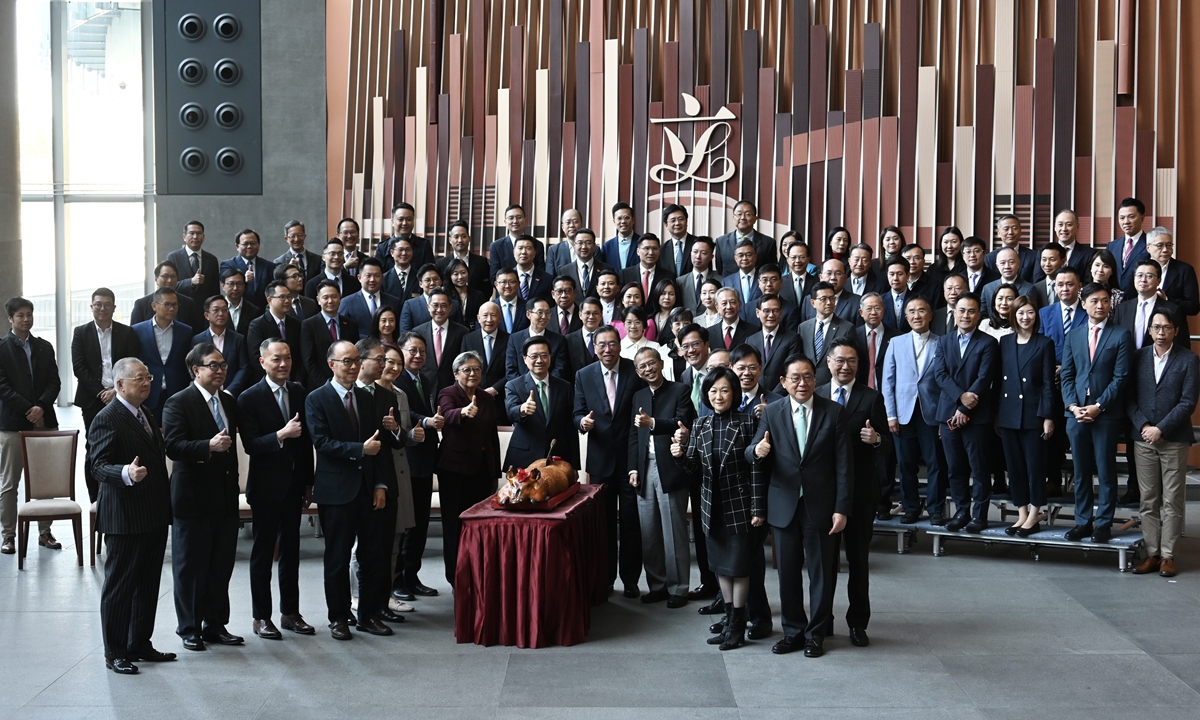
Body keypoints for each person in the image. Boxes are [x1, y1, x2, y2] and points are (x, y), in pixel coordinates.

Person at [748, 355, 852, 658]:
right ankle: (793, 631)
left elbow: (844, 466)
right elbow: (750, 452)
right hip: (783, 506)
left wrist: (841, 508)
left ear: (815, 380)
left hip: (821, 506)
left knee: (822, 573)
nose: (802, 383)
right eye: (795, 378)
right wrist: (758, 449)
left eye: (807, 377)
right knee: (788, 574)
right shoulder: (773, 412)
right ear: (783, 382)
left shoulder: (834, 412)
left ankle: (816, 633)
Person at [305, 340, 399, 640]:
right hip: (336, 491)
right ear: (332, 364)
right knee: (337, 558)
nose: (354, 366)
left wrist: (381, 484)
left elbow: (380, 447)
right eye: (347, 361)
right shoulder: (316, 399)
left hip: (369, 489)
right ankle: (338, 617)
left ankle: (368, 614)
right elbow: (322, 442)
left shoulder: (368, 397)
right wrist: (360, 450)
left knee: (373, 555)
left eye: (357, 360)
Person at [89, 358, 175, 674]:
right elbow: (97, 465)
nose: (146, 382)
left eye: (148, 376)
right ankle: (115, 651)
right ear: (120, 385)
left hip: (152, 513)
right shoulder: (107, 418)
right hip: (124, 516)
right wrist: (125, 472)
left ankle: (139, 643)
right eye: (139, 378)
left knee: (148, 583)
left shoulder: (146, 413)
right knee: (121, 586)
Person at [668, 366, 764, 651]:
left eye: (724, 390)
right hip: (711, 507)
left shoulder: (747, 423)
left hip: (740, 507)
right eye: (712, 391)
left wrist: (758, 508)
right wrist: (680, 456)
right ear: (706, 395)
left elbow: (757, 470)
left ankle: (737, 627)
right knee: (721, 568)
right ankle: (730, 621)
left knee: (739, 569)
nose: (718, 395)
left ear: (734, 392)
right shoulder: (701, 424)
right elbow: (695, 471)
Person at [162, 343, 243, 651]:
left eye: (223, 365)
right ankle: (189, 628)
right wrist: (207, 446)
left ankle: (215, 624)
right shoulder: (178, 402)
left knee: (221, 564)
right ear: (196, 370)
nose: (221, 370)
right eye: (213, 366)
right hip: (193, 497)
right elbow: (173, 446)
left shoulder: (229, 401)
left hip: (224, 495)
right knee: (191, 567)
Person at [237, 338, 316, 639]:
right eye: (276, 359)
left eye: (287, 357)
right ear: (262, 362)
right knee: (262, 553)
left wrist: (309, 482)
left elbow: (306, 442)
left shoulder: (298, 392)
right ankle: (261, 617)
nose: (283, 364)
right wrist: (281, 434)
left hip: (294, 486)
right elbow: (252, 446)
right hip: (266, 488)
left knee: (292, 552)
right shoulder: (249, 397)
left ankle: (290, 613)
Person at [818, 339, 888, 646]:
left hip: (860, 493)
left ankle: (858, 623)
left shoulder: (871, 398)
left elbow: (888, 445)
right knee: (824, 562)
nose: (846, 366)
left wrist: (876, 440)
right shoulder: (816, 394)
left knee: (858, 562)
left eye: (852, 361)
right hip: (823, 493)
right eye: (840, 360)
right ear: (829, 362)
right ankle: (822, 620)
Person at [574, 325, 646, 596]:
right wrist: (582, 422)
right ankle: (603, 579)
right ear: (594, 348)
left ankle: (630, 580)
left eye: (612, 343)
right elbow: (577, 412)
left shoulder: (633, 371)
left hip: (629, 462)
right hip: (600, 462)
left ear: (620, 344)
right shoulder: (584, 375)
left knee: (630, 523)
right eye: (601, 344)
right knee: (602, 526)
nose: (607, 349)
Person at [1061, 283, 1134, 544]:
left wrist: (1099, 406)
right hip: (1076, 413)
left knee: (1105, 470)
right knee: (1080, 472)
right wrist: (1072, 406)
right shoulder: (1074, 335)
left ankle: (1103, 523)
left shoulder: (1121, 335)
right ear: (1083, 304)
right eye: (1094, 301)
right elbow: (1067, 375)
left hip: (1106, 414)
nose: (1100, 305)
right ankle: (1082, 522)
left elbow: (1121, 377)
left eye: (1104, 301)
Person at [1127, 311, 1199, 577]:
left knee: (1172, 499)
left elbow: (1188, 401)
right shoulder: (1138, 357)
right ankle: (1151, 553)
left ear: (1176, 331)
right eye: (1156, 327)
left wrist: (1161, 429)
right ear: (1149, 330)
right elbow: (1129, 397)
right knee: (1148, 499)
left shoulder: (1189, 360)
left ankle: (1168, 556)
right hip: (1143, 437)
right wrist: (1145, 426)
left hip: (1174, 439)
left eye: (1166, 327)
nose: (1160, 332)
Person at [628, 346, 696, 608]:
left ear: (660, 362)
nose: (648, 369)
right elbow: (634, 436)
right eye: (642, 366)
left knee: (674, 530)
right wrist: (633, 468)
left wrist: (653, 423)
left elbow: (682, 422)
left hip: (671, 467)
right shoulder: (638, 396)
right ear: (638, 372)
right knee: (650, 531)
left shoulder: (680, 390)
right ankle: (657, 584)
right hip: (644, 468)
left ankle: (679, 587)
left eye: (651, 363)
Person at [930, 293, 999, 532]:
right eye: (961, 310)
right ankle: (961, 511)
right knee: (955, 468)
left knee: (979, 468)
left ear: (979, 315)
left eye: (971, 311)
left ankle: (979, 516)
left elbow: (984, 377)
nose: (966, 315)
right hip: (948, 415)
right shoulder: (944, 341)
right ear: (954, 313)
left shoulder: (988, 343)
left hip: (977, 416)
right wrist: (960, 399)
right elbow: (940, 375)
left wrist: (965, 408)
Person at [0, 297, 62, 554]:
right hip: (13, 425)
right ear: (10, 319)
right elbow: (2, 386)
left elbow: (54, 382)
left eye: (29, 314)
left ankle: (44, 532)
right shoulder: (2, 348)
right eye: (21, 315)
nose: (26, 319)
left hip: (44, 422)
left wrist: (41, 407)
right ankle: (8, 536)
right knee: (9, 483)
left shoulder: (44, 347)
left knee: (45, 481)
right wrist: (29, 409)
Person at [352, 337, 408, 625]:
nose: (385, 365)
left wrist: (396, 428)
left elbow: (393, 445)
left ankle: (381, 605)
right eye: (380, 359)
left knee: (384, 548)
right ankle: (358, 610)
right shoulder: (349, 394)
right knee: (361, 551)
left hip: (385, 482)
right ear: (361, 361)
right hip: (354, 484)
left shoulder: (386, 395)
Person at [435, 351, 501, 585]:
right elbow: (447, 412)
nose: (473, 374)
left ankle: (478, 574)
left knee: (480, 525)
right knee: (454, 526)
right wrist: (462, 412)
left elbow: (491, 435)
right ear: (456, 373)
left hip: (481, 470)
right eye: (467, 370)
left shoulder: (486, 398)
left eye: (477, 369)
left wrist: (495, 472)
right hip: (454, 471)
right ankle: (455, 578)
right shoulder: (448, 393)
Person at [73, 288, 140, 503]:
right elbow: (79, 367)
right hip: (93, 399)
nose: (102, 308)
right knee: (94, 446)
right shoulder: (81, 332)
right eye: (98, 304)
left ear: (114, 307)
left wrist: (116, 391)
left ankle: (124, 492)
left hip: (122, 397)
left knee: (124, 443)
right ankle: (96, 499)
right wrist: (101, 392)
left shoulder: (126, 332)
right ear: (91, 307)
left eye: (107, 304)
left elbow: (132, 364)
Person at [997, 297, 1057, 537]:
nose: (1025, 317)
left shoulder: (1045, 343)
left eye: (1030, 312)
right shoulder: (1004, 342)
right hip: (1008, 413)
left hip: (1034, 414)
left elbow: (1047, 384)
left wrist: (1048, 416)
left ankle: (1035, 514)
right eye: (1021, 312)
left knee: (1035, 467)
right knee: (1015, 467)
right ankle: (1021, 513)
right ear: (1013, 315)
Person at [882, 296, 944, 524]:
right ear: (906, 317)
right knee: (905, 464)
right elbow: (887, 382)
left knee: (935, 463)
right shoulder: (896, 343)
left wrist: (943, 417)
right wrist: (891, 414)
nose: (916, 315)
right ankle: (911, 507)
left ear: (930, 315)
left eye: (921, 311)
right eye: (911, 312)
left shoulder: (943, 342)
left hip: (932, 413)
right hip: (903, 413)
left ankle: (936, 509)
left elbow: (945, 381)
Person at [391, 332, 443, 599]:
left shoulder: (425, 378)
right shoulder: (395, 381)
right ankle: (397, 580)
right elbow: (406, 414)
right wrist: (425, 421)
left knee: (421, 523)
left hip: (424, 459)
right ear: (401, 351)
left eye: (422, 351)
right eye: (412, 351)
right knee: (406, 525)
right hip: (406, 461)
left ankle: (412, 576)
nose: (418, 356)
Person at [673, 323, 719, 601]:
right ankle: (708, 582)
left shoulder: (718, 373)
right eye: (685, 346)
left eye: (695, 344)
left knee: (718, 525)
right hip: (694, 460)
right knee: (701, 527)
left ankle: (723, 585)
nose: (691, 350)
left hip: (720, 457)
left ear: (706, 344)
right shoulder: (683, 376)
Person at [376, 345, 421, 591]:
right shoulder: (366, 393)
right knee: (369, 543)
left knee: (396, 539)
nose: (393, 368)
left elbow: (401, 435)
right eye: (388, 362)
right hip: (378, 472)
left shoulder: (401, 394)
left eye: (398, 364)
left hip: (400, 471)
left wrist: (412, 434)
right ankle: (360, 596)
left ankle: (388, 593)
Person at [505, 335, 581, 473]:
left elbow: (570, 428)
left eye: (544, 355)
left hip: (557, 458)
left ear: (550, 357)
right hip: (524, 458)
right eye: (534, 356)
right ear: (525, 359)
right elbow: (510, 411)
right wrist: (522, 409)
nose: (539, 360)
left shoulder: (564, 387)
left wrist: (574, 465)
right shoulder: (514, 385)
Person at [132, 287, 193, 424]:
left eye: (175, 305)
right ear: (154, 306)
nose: (172, 308)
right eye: (167, 304)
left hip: (177, 391)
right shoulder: (137, 331)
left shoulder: (186, 331)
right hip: (149, 392)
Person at [246, 280, 305, 386]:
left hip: (294, 382)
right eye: (282, 297)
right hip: (268, 383)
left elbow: (300, 355)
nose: (287, 301)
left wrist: (298, 379)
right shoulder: (257, 325)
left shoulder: (296, 324)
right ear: (269, 300)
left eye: (289, 297)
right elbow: (256, 358)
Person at [302, 281, 360, 388]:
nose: (330, 301)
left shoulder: (351, 324)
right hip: (319, 385)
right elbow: (309, 360)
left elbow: (355, 355)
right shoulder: (308, 325)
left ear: (340, 297)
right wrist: (326, 385)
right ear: (318, 300)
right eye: (325, 297)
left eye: (334, 296)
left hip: (347, 383)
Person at [192, 295, 252, 396]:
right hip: (205, 395)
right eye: (216, 310)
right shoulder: (197, 340)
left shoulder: (238, 339)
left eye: (224, 310)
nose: (221, 314)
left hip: (232, 394)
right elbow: (195, 369)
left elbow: (244, 368)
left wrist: (230, 391)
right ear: (207, 315)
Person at [798, 282, 855, 386]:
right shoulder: (803, 327)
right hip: (808, 386)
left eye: (832, 298)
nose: (829, 302)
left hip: (833, 386)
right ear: (813, 303)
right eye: (823, 299)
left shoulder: (847, 328)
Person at [414, 288, 470, 391]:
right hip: (425, 388)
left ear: (450, 307)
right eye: (435, 305)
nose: (439, 310)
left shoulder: (462, 332)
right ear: (428, 307)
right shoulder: (417, 332)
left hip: (453, 389)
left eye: (443, 305)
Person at [461, 302, 510, 418]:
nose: (489, 319)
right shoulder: (468, 339)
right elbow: (462, 368)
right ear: (478, 318)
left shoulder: (509, 339)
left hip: (500, 398)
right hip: (473, 397)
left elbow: (511, 370)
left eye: (493, 315)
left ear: (499, 319)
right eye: (485, 315)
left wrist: (495, 389)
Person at [505, 296, 569, 381]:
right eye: (540, 312)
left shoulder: (559, 340)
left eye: (547, 313)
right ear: (528, 314)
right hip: (522, 390)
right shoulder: (514, 339)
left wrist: (544, 385)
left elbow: (559, 369)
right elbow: (511, 370)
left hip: (550, 388)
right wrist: (524, 387)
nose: (544, 316)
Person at [746, 294, 800, 394]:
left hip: (781, 397)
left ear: (781, 313)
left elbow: (791, 372)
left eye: (775, 311)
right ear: (758, 313)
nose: (771, 315)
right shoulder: (750, 340)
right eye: (766, 311)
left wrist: (772, 398)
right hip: (755, 396)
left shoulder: (792, 338)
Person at [130, 261, 203, 330]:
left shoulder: (188, 303)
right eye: (165, 276)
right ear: (156, 279)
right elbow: (134, 334)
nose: (169, 280)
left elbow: (196, 331)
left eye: (173, 276)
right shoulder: (141, 304)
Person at [341, 257, 402, 338]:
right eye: (368, 275)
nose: (372, 280)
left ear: (382, 277)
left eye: (377, 275)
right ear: (359, 278)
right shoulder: (347, 302)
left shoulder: (394, 302)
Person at [1146, 226, 1199, 317]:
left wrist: (1166, 299)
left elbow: (1193, 307)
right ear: (1148, 248)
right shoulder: (1139, 268)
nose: (1165, 250)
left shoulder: (1184, 270)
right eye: (1160, 245)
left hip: (1174, 327)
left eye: (1169, 245)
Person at [220, 229, 277, 309]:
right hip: (240, 311)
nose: (249, 246)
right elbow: (227, 288)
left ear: (259, 245)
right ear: (237, 246)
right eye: (245, 244)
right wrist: (244, 281)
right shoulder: (228, 265)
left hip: (264, 312)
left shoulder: (269, 266)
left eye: (253, 243)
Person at [715, 200, 776, 274]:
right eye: (739, 214)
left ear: (755, 219)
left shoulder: (768, 243)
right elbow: (719, 270)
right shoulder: (721, 242)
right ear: (733, 217)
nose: (743, 218)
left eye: (748, 214)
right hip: (729, 285)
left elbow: (771, 271)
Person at [168, 220, 221, 302]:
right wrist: (191, 281)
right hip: (180, 307)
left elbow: (215, 289)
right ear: (184, 237)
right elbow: (169, 285)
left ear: (203, 237)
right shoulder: (173, 257)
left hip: (204, 309)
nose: (195, 237)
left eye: (199, 233)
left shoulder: (211, 259)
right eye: (191, 233)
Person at [489, 204, 547, 277]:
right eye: (511, 218)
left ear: (525, 220)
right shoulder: (496, 246)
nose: (515, 221)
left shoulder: (537, 244)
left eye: (519, 217)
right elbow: (494, 276)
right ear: (505, 222)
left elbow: (541, 273)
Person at [437, 220, 491, 297]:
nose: (460, 240)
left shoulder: (481, 262)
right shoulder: (441, 264)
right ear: (450, 240)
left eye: (464, 236)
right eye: (456, 237)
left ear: (469, 238)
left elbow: (487, 289)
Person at [376, 202, 435, 273]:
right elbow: (379, 274)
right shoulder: (382, 247)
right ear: (392, 222)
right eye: (400, 219)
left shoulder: (424, 245)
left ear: (413, 221)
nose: (404, 223)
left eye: (409, 219)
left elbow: (429, 272)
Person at [1109, 197, 1150, 295]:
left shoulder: (1150, 244)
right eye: (1122, 218)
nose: (1126, 221)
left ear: (1142, 218)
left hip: (1139, 300)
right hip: (1115, 303)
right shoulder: (1112, 246)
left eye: (1131, 217)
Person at [981, 248, 1035, 318]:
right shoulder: (987, 288)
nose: (1007, 266)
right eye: (1002, 263)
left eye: (1011, 262)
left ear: (1018, 264)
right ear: (997, 266)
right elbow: (983, 315)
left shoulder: (1029, 289)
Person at [1043, 209, 1095, 280]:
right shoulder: (1043, 252)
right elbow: (1038, 281)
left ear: (1077, 227)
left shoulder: (1089, 254)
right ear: (1055, 227)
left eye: (1069, 225)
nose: (1064, 229)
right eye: (1060, 224)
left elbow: (1088, 283)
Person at [399, 264, 451, 333]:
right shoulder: (410, 305)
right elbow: (405, 334)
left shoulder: (453, 304)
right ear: (420, 284)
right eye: (428, 280)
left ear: (441, 281)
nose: (432, 283)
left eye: (435, 279)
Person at [984, 214, 1037, 282]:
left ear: (1020, 231)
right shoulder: (989, 258)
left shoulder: (1033, 256)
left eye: (1014, 228)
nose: (1010, 232)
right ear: (999, 233)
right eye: (1006, 229)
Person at [678, 237, 722, 313]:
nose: (698, 256)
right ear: (690, 253)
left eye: (703, 253)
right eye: (695, 252)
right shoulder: (680, 281)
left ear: (711, 257)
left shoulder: (720, 280)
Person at [598, 202, 643, 270]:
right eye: (619, 218)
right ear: (614, 222)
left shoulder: (642, 243)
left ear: (633, 220)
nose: (623, 221)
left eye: (627, 218)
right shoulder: (606, 247)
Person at [660, 203, 697, 277]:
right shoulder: (661, 250)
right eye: (673, 220)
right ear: (666, 225)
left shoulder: (698, 244)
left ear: (686, 222)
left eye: (681, 219)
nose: (677, 223)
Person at [221, 268, 261, 337]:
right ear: (223, 286)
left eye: (239, 284)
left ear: (244, 286)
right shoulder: (214, 309)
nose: (235, 288)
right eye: (231, 284)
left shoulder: (254, 311)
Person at [545, 209, 584, 277]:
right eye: (568, 222)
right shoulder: (553, 250)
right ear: (563, 227)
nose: (572, 225)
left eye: (575, 222)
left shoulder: (594, 249)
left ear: (581, 224)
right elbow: (549, 278)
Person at [1031, 243, 1066, 307]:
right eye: (1044, 259)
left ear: (1063, 261)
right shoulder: (1035, 288)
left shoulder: (1068, 287)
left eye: (1052, 260)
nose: (1047, 264)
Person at [650, 277, 680, 344]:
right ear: (657, 295)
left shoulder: (679, 319)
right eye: (663, 293)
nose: (667, 297)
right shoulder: (650, 318)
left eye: (671, 294)